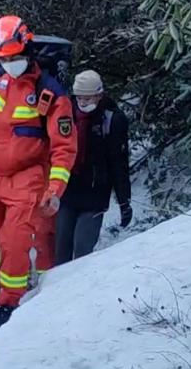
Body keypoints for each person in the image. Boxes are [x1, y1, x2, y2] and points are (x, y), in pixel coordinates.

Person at [0, 15, 77, 329]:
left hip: (29, 176)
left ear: (26, 51)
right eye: (3, 58)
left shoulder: (50, 93)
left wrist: (54, 190)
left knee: (14, 241)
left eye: (13, 57)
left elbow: (64, 147)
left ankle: (9, 301)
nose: (9, 63)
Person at [54, 70, 132, 266]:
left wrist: (124, 201)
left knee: (82, 249)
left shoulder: (112, 120)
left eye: (87, 98)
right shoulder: (66, 113)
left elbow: (119, 163)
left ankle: (81, 292)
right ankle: (56, 295)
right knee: (60, 250)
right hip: (67, 192)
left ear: (99, 95)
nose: (83, 102)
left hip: (95, 195)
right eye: (79, 97)